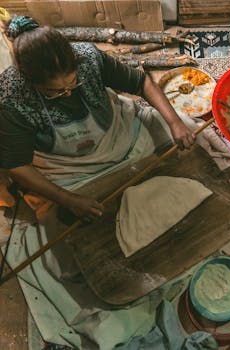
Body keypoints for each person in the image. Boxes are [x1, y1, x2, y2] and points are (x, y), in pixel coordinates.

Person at [0, 15, 195, 220]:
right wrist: (68, 199)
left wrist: (175, 124)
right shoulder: (11, 98)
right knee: (60, 218)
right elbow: (18, 166)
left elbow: (142, 83)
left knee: (188, 128)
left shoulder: (88, 57)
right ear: (30, 81)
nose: (67, 94)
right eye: (54, 91)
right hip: (68, 167)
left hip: (118, 135)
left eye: (73, 83)